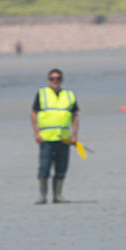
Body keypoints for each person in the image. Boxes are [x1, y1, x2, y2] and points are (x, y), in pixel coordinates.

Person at [30, 68, 79, 204]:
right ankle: (42, 196)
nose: (55, 81)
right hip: (46, 139)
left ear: (62, 80)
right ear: (48, 80)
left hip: (64, 139)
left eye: (58, 78)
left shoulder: (69, 95)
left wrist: (74, 135)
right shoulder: (42, 94)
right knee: (44, 168)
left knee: (61, 168)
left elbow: (74, 116)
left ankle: (58, 196)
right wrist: (36, 133)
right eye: (52, 78)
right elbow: (33, 113)